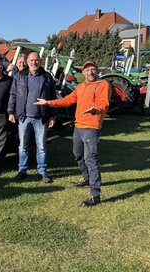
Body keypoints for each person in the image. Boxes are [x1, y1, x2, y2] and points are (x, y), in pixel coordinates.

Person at [35, 61, 111, 207]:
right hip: (78, 126)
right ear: (83, 73)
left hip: (91, 128)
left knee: (91, 159)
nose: (90, 72)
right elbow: (68, 100)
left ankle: (95, 195)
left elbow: (104, 103)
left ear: (97, 71)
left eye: (93, 69)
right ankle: (86, 178)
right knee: (77, 154)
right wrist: (48, 103)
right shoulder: (81, 87)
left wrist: (96, 109)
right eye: (87, 70)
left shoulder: (102, 85)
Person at [7, 52, 57, 183]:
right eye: (31, 60)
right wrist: (11, 112)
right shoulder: (19, 76)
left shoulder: (47, 77)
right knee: (23, 145)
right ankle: (22, 171)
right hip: (24, 117)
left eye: (36, 60)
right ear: (28, 61)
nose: (34, 62)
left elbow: (53, 97)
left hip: (41, 117)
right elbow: (13, 94)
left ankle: (42, 172)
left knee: (41, 146)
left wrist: (52, 115)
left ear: (40, 61)